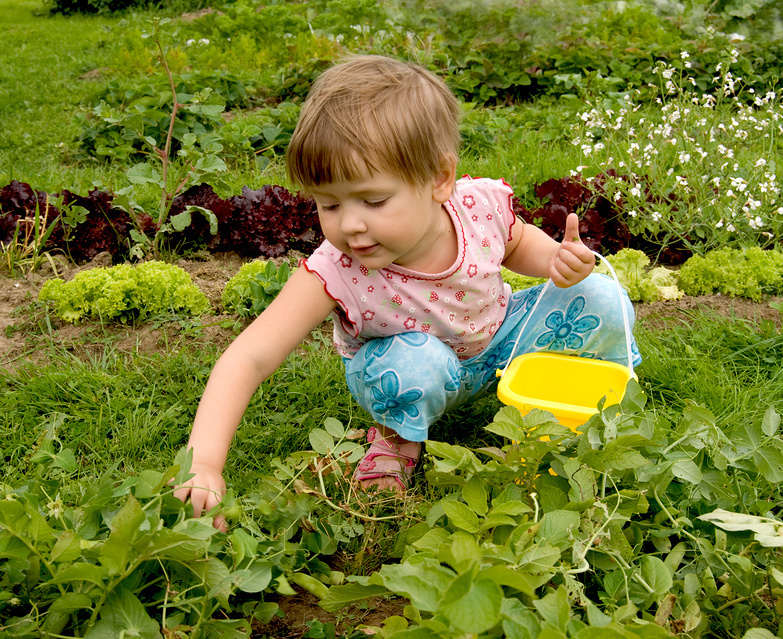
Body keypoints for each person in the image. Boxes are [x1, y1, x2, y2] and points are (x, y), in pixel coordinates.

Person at [173, 54, 641, 529]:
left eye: (374, 201)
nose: (351, 225)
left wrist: (555, 263)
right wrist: (204, 463)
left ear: (439, 179)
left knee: (599, 298)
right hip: (411, 367)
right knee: (414, 364)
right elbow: (248, 357)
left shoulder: (476, 208)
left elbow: (516, 242)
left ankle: (582, 409)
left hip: (504, 342)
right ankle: (399, 438)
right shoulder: (336, 271)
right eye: (329, 204)